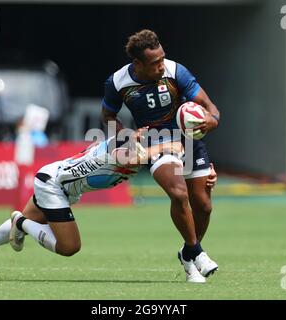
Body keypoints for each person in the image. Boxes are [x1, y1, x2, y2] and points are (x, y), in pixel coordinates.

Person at [0, 132, 202, 280]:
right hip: (54, 186)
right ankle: (21, 222)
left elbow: (143, 152)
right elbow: (129, 157)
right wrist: (163, 147)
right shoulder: (116, 151)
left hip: (54, 178)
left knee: (32, 221)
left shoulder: (132, 146)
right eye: (136, 139)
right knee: (69, 246)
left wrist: (176, 147)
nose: (138, 143)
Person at [101, 29, 221, 283]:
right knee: (178, 193)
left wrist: (212, 121)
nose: (161, 65)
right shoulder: (118, 82)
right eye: (155, 63)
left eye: (162, 58)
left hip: (188, 141)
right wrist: (126, 135)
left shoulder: (176, 72)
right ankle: (197, 254)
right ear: (138, 64)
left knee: (204, 205)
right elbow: (108, 118)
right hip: (156, 144)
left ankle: (187, 254)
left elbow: (211, 108)